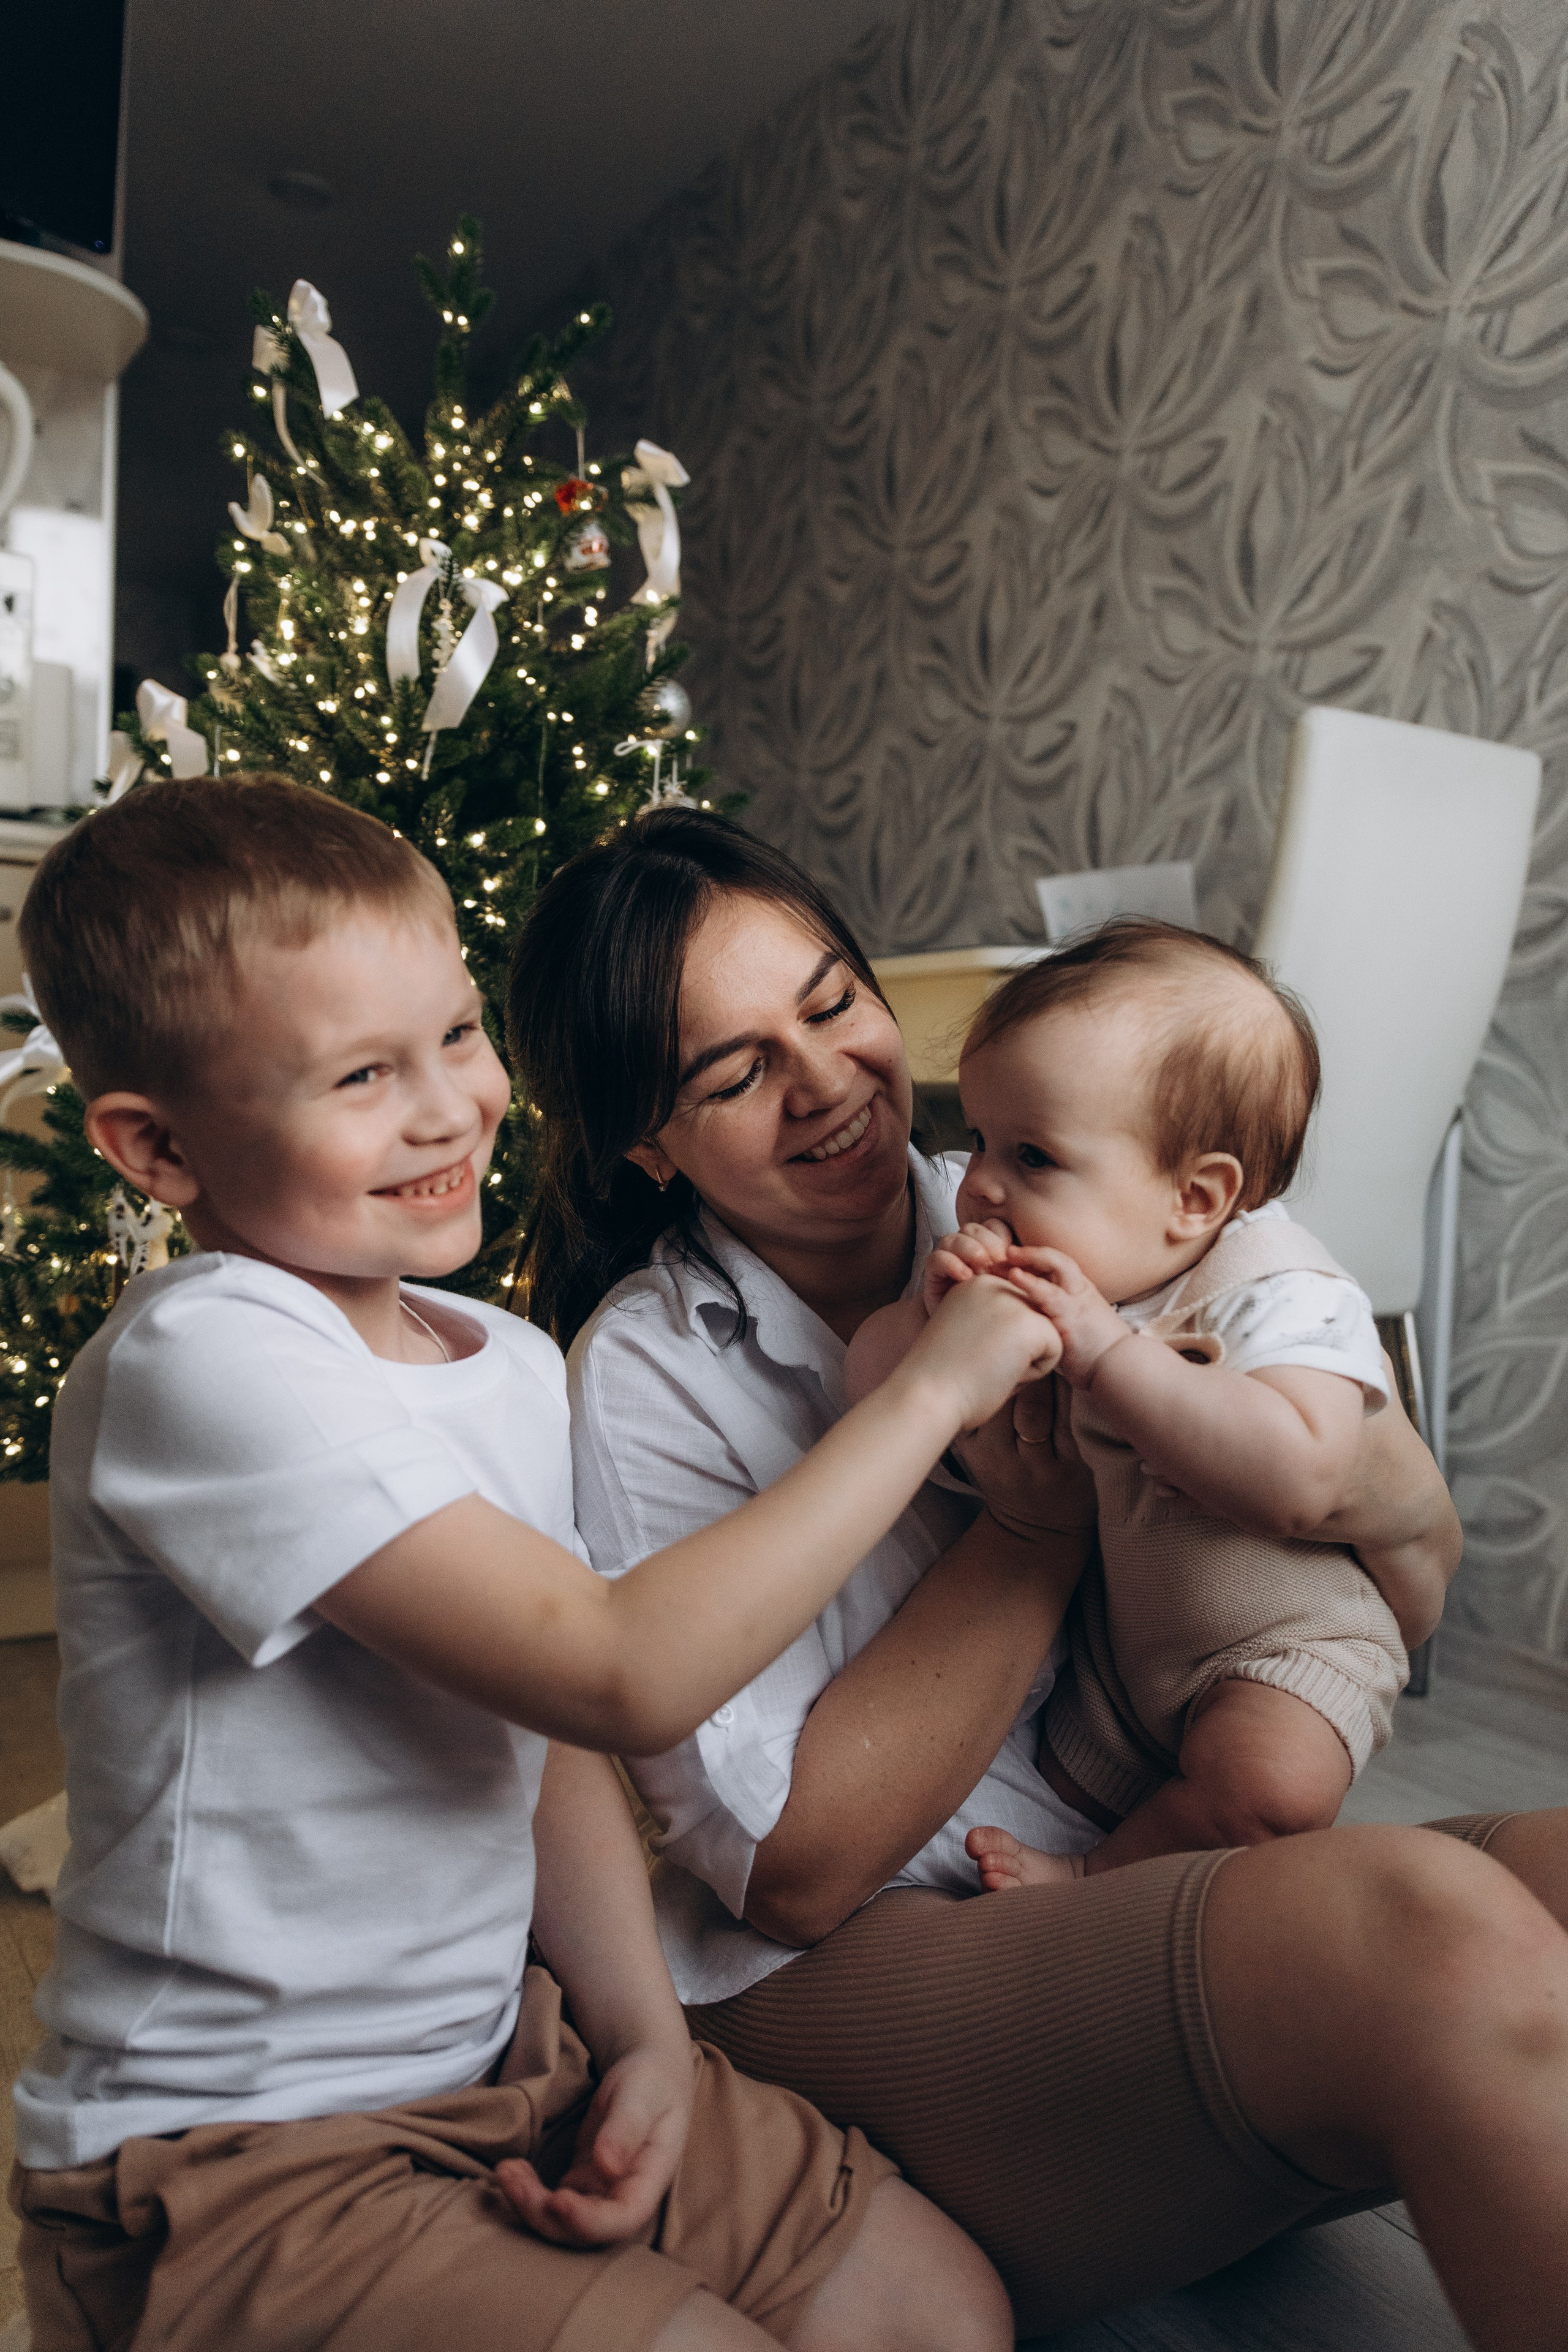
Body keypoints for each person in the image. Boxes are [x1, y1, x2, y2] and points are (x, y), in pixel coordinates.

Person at [7, 775, 1057, 2352]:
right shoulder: (202, 1360)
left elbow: (548, 1736)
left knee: (939, 2312)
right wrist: (926, 1394)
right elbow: (612, 1664)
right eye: (360, 1074)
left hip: (516, 2056)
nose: (445, 1109)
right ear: (156, 1149)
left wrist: (638, 2036)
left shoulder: (497, 1357)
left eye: (452, 1037)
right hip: (246, 2153)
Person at [511, 806, 1568, 2350]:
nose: (825, 1091)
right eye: (732, 1072)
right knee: (1429, 1931)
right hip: (846, 1952)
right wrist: (1029, 1532)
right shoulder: (645, 1378)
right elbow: (790, 1868)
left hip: (1116, 1847)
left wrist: (1387, 1504)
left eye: (830, 1007)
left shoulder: (1033, 1178)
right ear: (641, 1141)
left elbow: (1358, 1515)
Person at [845, 916, 1411, 1880]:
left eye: (1032, 1158)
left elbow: (1303, 1475)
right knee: (1036, 1797)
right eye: (978, 1140)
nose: (976, 1186)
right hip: (1113, 1662)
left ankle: (1091, 1882)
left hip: (1284, 1644)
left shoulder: (1275, 1286)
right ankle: (1104, 1901)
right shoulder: (1049, 1279)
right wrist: (933, 1330)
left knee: (1270, 1792)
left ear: (1196, 1199)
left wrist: (1107, 1351)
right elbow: (869, 1390)